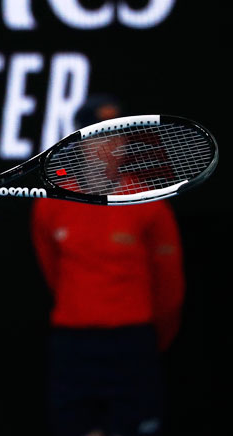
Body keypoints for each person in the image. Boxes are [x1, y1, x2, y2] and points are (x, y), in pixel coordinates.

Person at [30, 95, 185, 436]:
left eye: (117, 136)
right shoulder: (51, 205)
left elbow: (170, 287)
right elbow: (52, 271)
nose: (110, 147)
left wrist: (144, 339)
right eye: (100, 136)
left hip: (132, 344)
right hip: (73, 344)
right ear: (79, 141)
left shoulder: (150, 204)